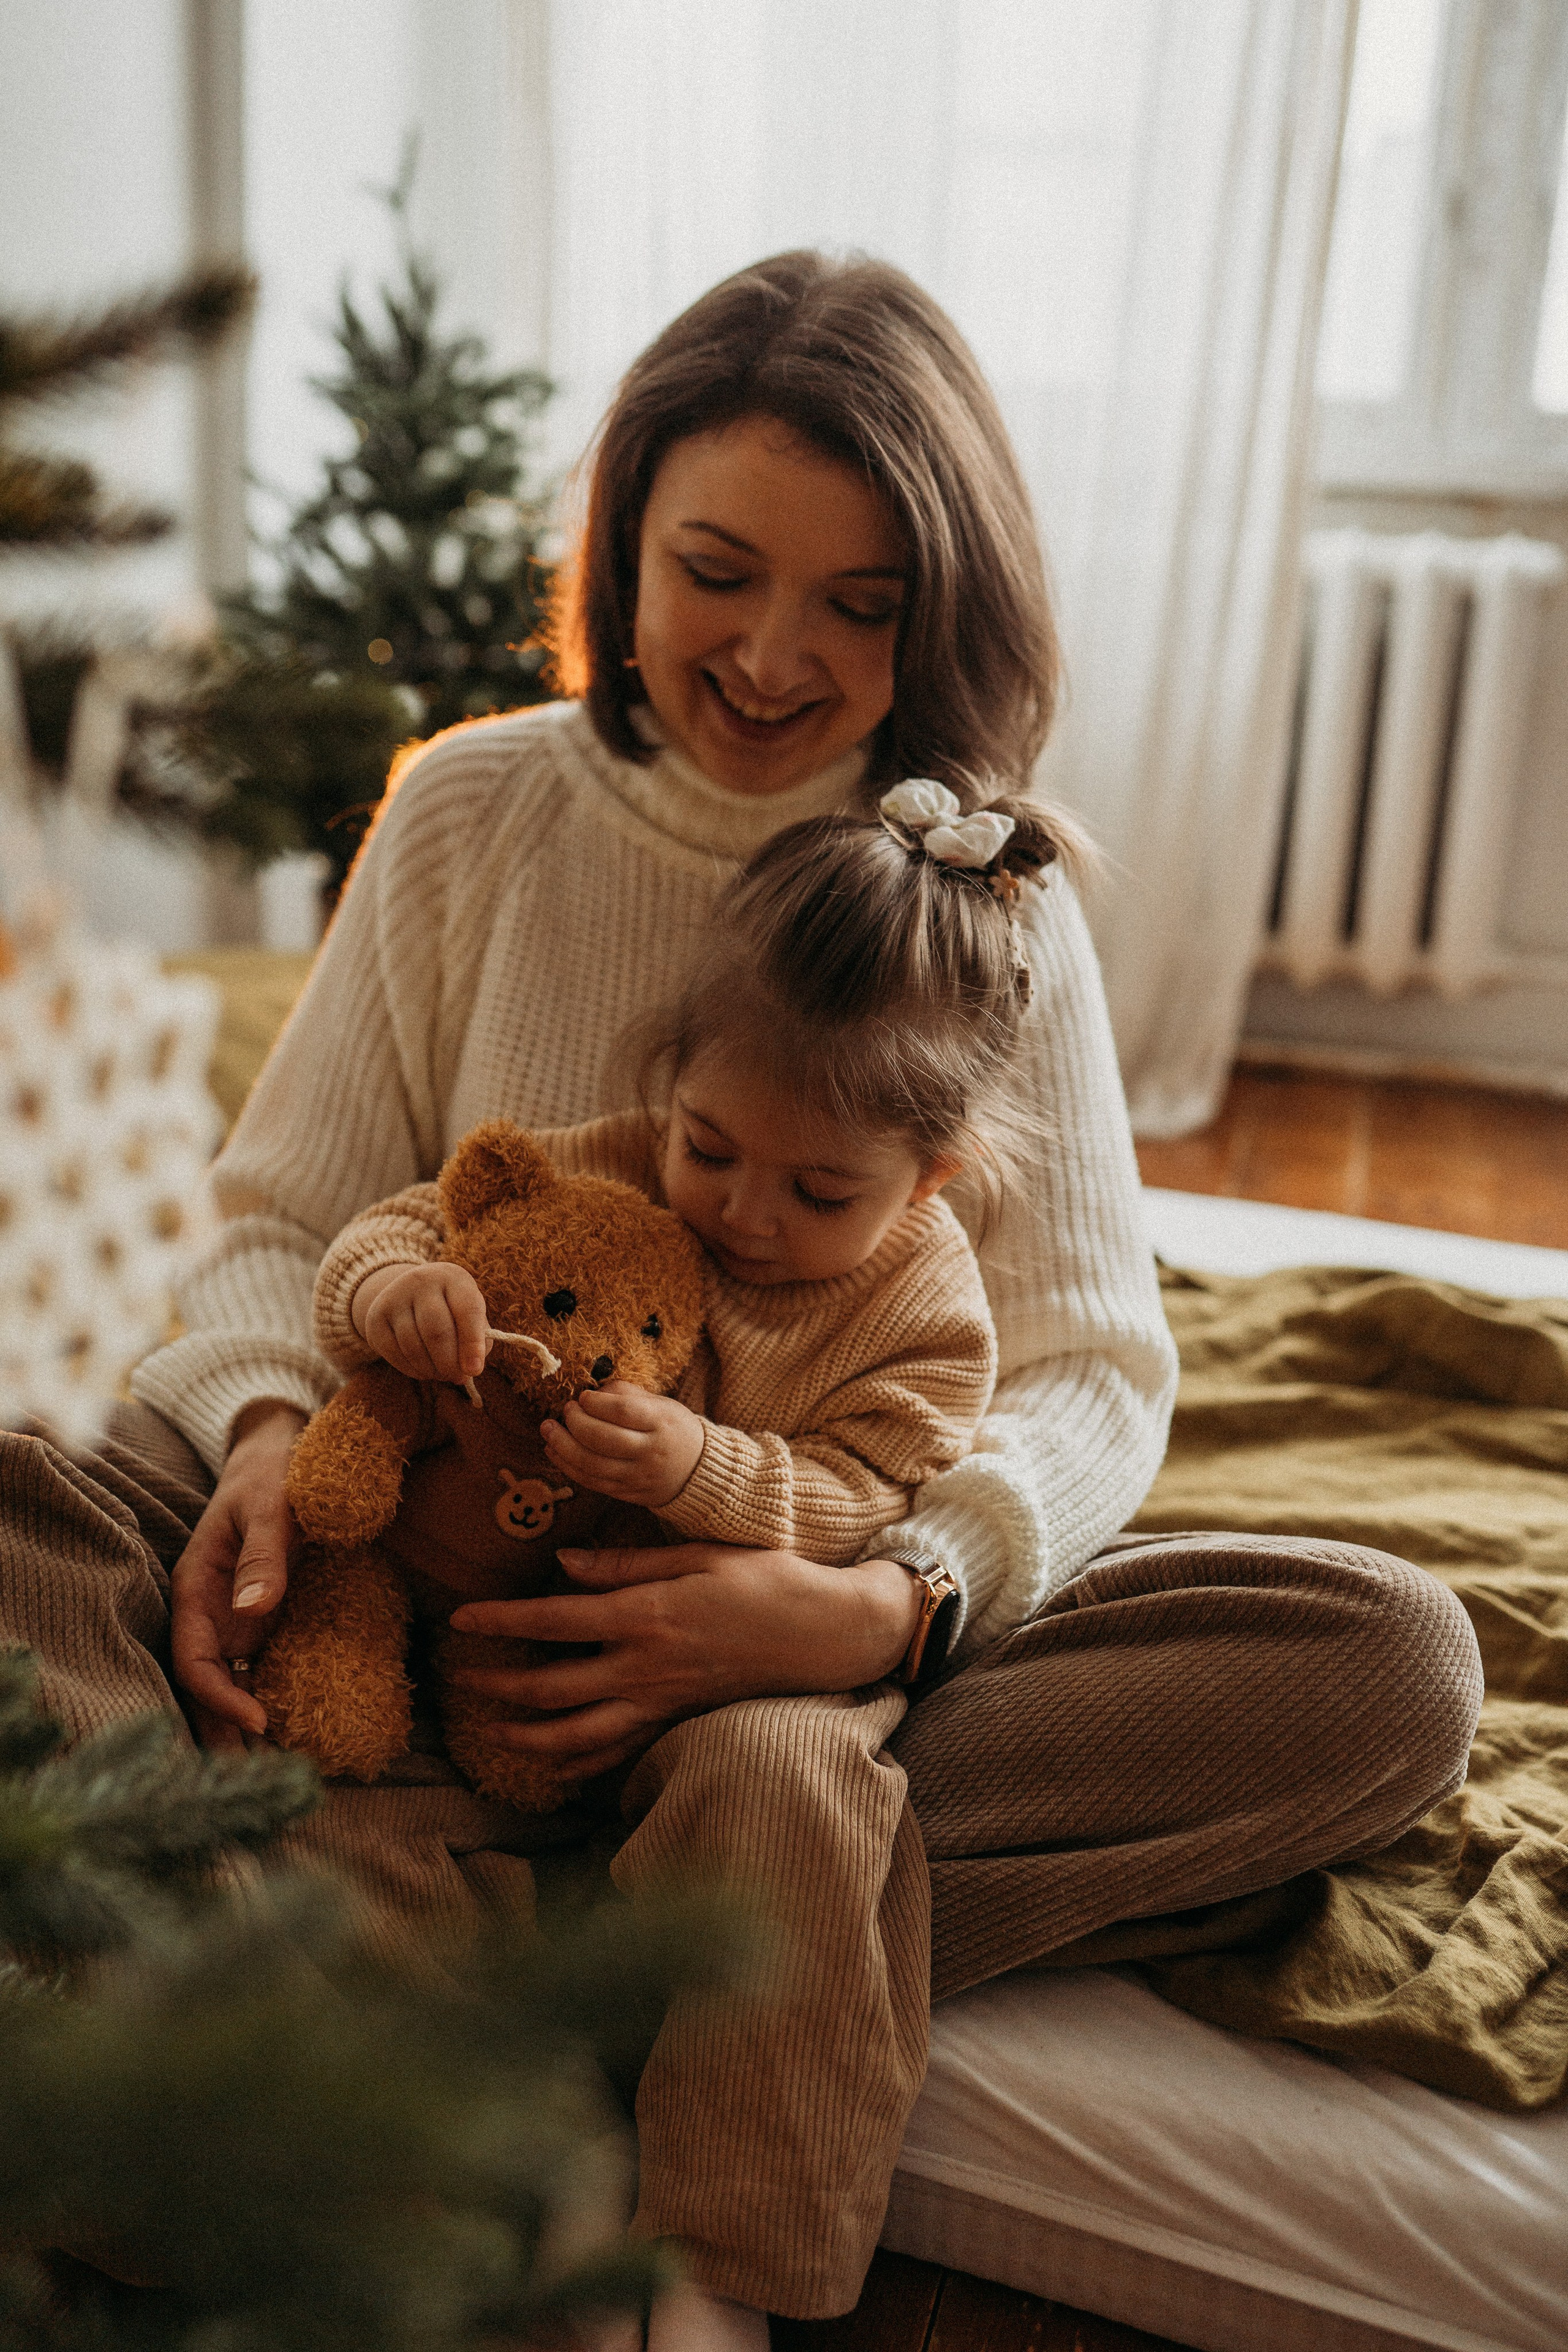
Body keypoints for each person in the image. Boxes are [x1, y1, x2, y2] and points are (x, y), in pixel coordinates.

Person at [0, 251, 1482, 2351]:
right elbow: (276, 1226)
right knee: (26, 1510)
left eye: (860, 606)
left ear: (938, 615)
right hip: (413, 1622)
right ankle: (628, 1958)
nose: (777, 656)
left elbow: (1085, 1371)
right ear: (625, 550)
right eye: (718, 571)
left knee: (1387, 1659)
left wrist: (879, 1610)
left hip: (789, 1683)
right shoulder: (474, 815)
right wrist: (259, 1442)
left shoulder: (978, 904)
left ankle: (423, 1942)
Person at [310, 792, 1066, 1594]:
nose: (743, 1213)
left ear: (930, 1177)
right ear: (675, 1082)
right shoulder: (616, 1160)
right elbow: (406, 1225)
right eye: (708, 1150)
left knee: (756, 1732)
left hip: (726, 1644)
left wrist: (706, 1470)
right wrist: (390, 1289)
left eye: (819, 1194)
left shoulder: (931, 1319)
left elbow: (874, 1496)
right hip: (468, 1564)